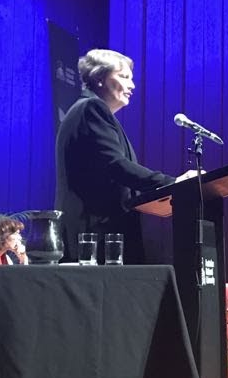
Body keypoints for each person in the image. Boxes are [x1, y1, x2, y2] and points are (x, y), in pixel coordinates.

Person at [55, 49, 197, 263]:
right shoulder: (91, 108)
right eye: (123, 77)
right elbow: (116, 166)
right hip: (94, 235)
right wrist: (173, 183)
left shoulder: (92, 112)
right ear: (99, 78)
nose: (132, 86)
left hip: (101, 235)